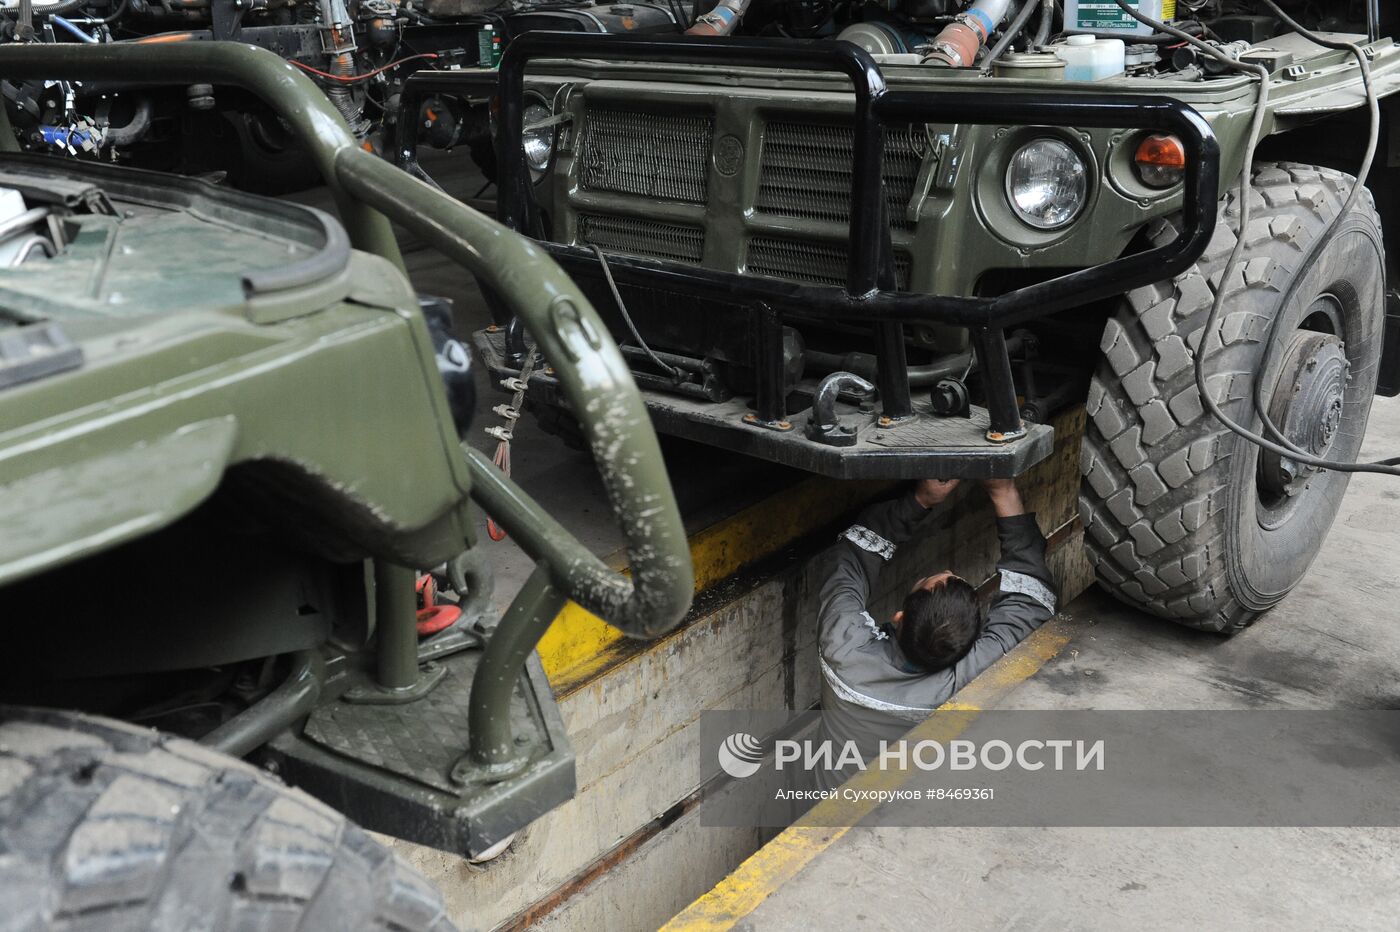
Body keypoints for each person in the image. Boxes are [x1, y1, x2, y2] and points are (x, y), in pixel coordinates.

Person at [812, 477, 1056, 790]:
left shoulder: (844, 648)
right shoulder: (971, 676)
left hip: (822, 809)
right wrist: (1003, 492)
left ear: (899, 617)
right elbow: (1030, 599)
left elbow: (851, 558)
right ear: (971, 645)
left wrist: (921, 499)